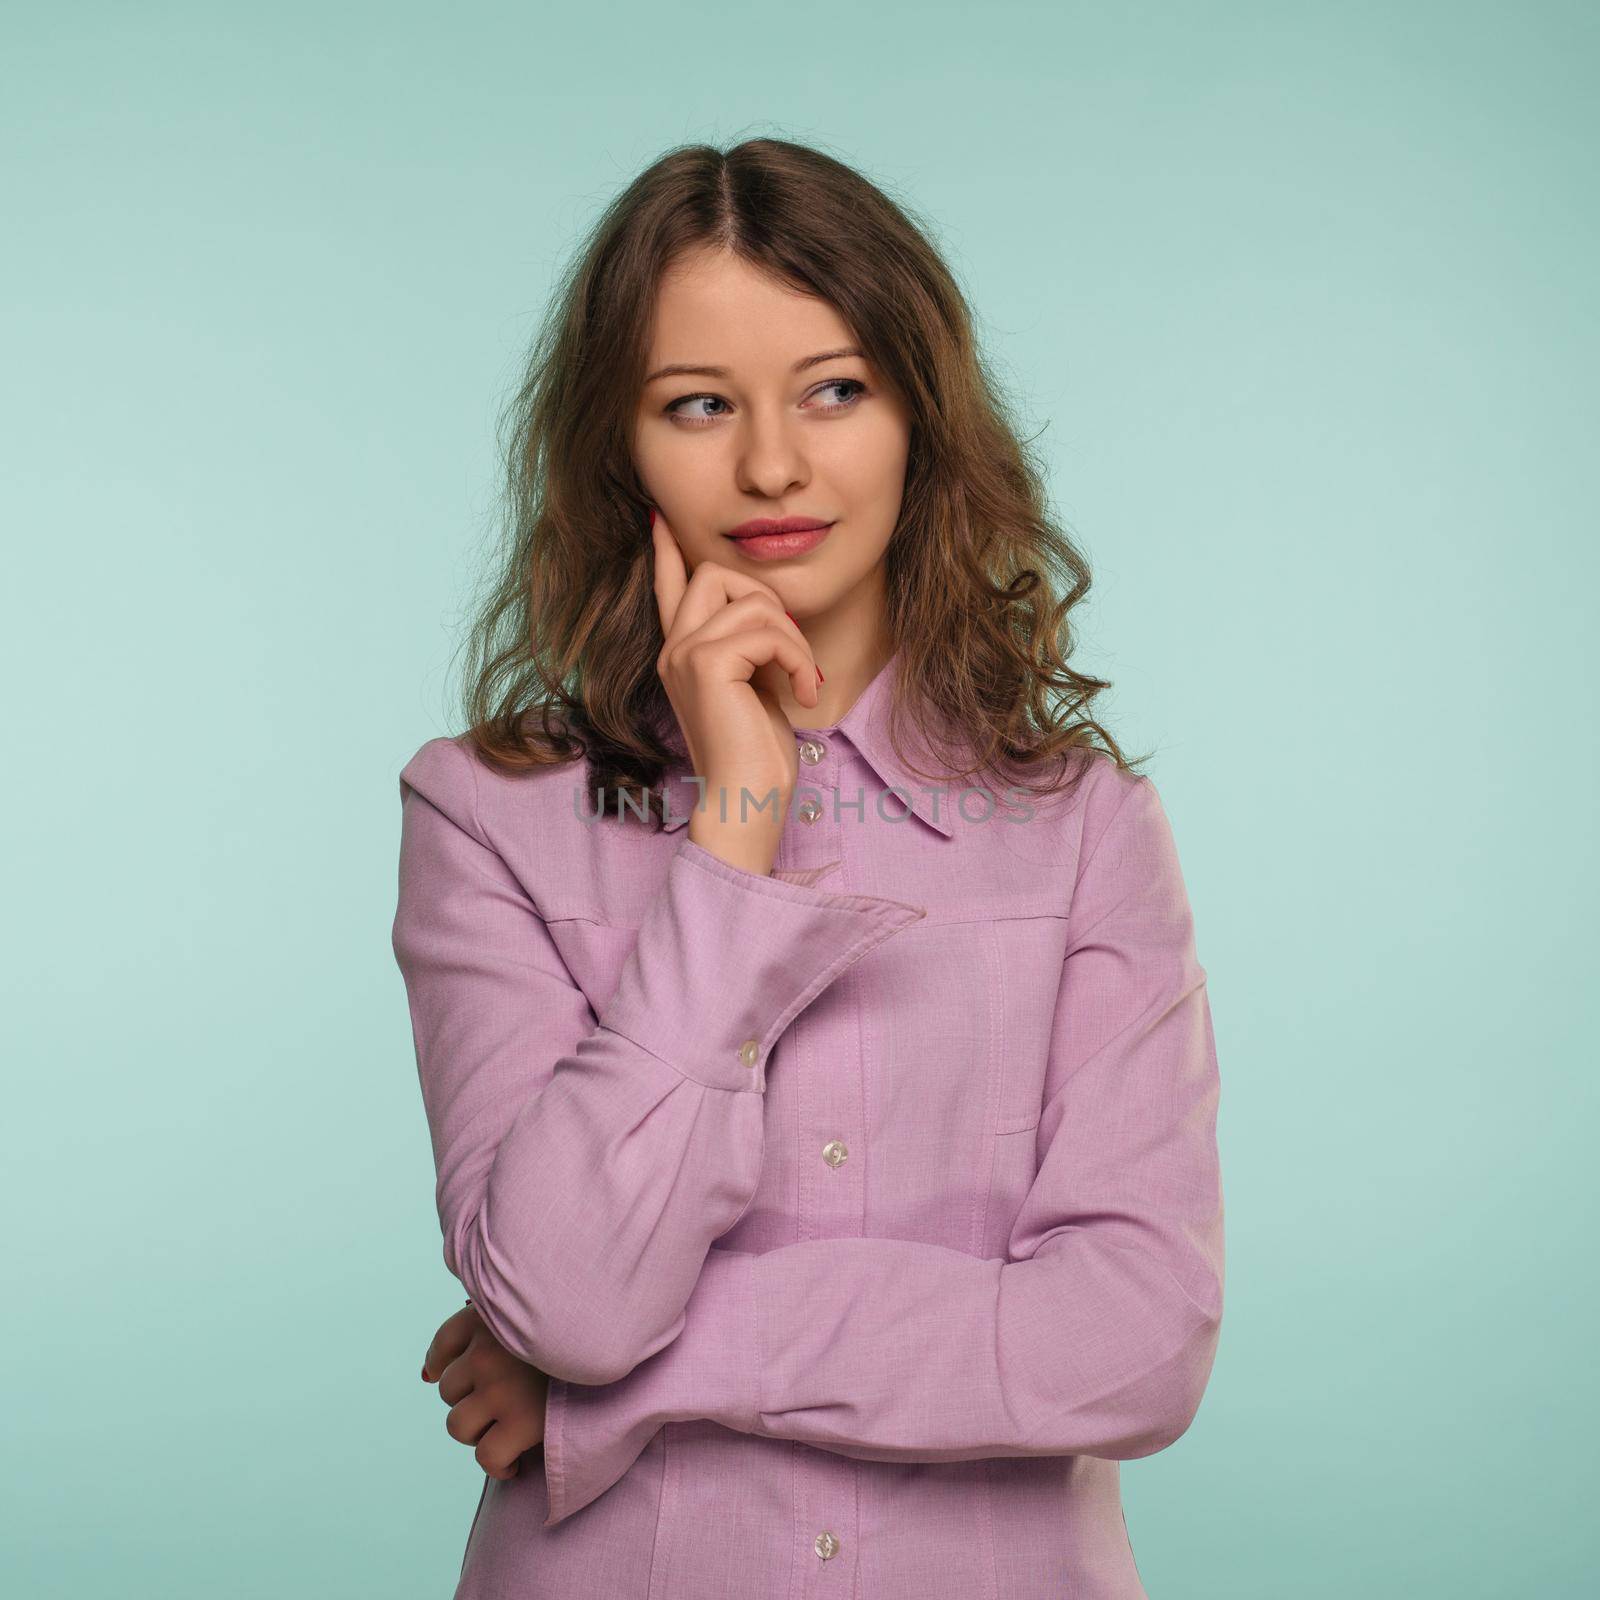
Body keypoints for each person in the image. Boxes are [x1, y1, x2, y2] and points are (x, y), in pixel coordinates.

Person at [391, 135, 1224, 1599]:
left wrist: (632, 1385)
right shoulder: (483, 814)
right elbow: (569, 1299)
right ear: (619, 448)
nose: (771, 465)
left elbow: (1135, 1345)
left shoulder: (1087, 829)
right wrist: (740, 824)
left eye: (834, 389)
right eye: (698, 405)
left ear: (920, 416)